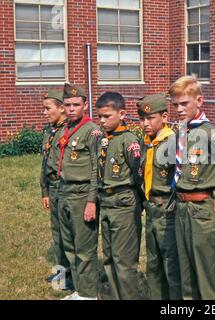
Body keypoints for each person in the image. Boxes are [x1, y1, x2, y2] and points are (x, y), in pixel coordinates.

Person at [168, 75, 215, 300]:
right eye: (175, 105)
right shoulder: (181, 133)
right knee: (186, 273)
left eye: (184, 104)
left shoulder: (213, 135)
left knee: (206, 272)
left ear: (199, 101)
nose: (179, 110)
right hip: (181, 208)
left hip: (202, 210)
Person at [95, 92, 143, 300]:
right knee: (109, 257)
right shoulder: (104, 140)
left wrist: (137, 202)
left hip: (123, 202)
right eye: (100, 117)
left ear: (122, 114)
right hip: (105, 201)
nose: (102, 121)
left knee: (123, 261)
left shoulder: (129, 141)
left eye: (107, 116)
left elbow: (139, 174)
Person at [58, 83, 102, 300]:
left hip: (82, 194)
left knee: (84, 248)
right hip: (65, 192)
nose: (71, 108)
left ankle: (89, 295)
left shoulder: (92, 131)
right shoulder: (66, 129)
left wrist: (92, 201)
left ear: (85, 105)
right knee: (69, 245)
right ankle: (79, 289)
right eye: (67, 105)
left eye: (76, 104)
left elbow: (97, 168)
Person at [136, 93, 182, 300]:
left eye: (150, 118)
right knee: (153, 264)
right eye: (141, 119)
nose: (145, 123)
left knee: (171, 264)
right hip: (152, 209)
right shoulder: (147, 143)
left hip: (168, 211)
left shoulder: (173, 143)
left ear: (164, 117)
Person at [39, 90, 73, 289]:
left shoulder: (68, 131)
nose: (45, 113)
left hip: (65, 187)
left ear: (61, 108)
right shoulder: (50, 131)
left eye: (47, 108)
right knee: (57, 233)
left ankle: (72, 275)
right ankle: (62, 273)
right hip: (52, 187)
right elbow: (44, 164)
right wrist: (44, 191)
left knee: (68, 234)